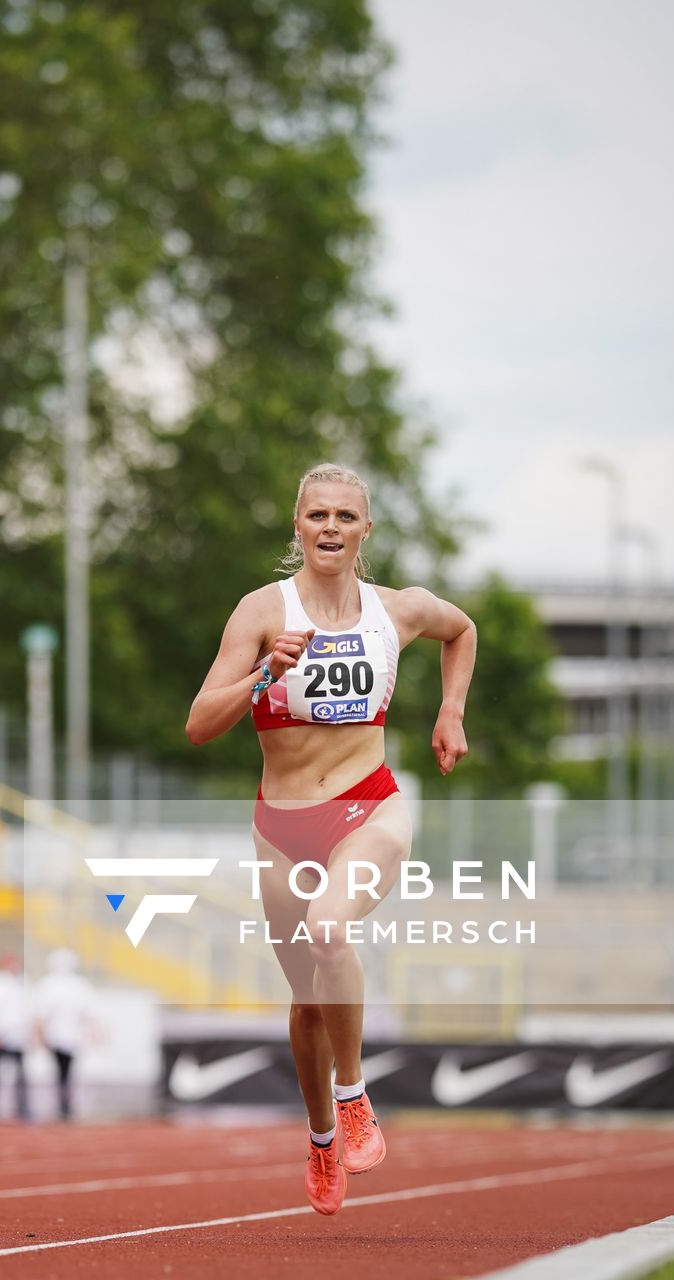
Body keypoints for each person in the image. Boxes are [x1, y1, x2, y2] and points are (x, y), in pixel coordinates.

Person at [186, 462, 475, 1216]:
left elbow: (463, 629)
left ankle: (353, 1099)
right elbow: (197, 725)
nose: (330, 528)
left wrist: (450, 712)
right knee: (307, 1002)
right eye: (318, 515)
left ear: (365, 531)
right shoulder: (260, 613)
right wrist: (259, 675)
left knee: (328, 929)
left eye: (345, 517)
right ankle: (321, 1139)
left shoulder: (397, 611)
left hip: (368, 808)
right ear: (297, 524)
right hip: (281, 829)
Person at [33, 948, 92, 1121]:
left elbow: (43, 1013)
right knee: (65, 1072)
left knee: (63, 1072)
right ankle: (64, 1107)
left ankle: (64, 1107)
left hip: (63, 1036)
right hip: (63, 1036)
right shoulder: (76, 985)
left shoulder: (50, 984)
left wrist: (40, 1032)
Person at [0, 952, 33, 1123]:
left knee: (21, 1075)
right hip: (1, 1034)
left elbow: (29, 1009)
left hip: (19, 1036)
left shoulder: (23, 981)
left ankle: (23, 1110)